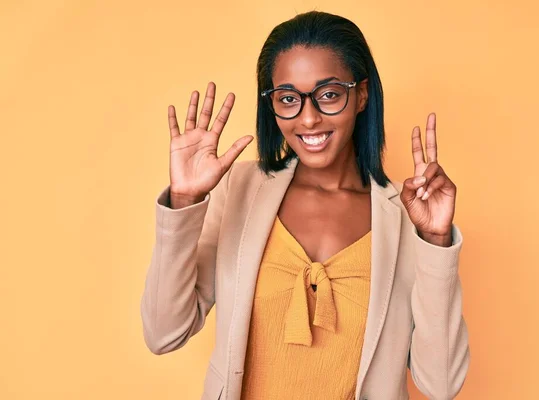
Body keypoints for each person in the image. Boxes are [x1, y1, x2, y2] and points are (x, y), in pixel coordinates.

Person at [141, 10, 469, 400]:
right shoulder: (239, 190)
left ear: (361, 94)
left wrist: (434, 239)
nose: (308, 118)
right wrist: (184, 201)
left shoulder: (407, 217)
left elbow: (442, 384)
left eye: (329, 94)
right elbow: (164, 333)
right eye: (288, 98)